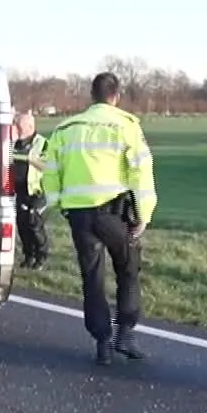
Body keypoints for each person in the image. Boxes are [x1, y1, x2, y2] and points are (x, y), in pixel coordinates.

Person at [40, 72, 159, 366]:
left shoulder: (66, 128)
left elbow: (50, 172)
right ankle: (126, 334)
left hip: (79, 214)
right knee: (128, 268)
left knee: (92, 277)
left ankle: (102, 342)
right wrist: (144, 214)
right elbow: (140, 173)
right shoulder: (126, 126)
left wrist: (60, 205)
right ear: (115, 95)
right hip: (113, 211)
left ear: (91, 96)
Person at [11, 111, 50, 268]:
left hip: (38, 192)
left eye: (19, 127)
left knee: (34, 224)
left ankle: (41, 257)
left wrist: (31, 159)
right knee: (22, 225)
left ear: (30, 126)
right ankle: (28, 256)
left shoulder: (43, 143)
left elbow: (49, 166)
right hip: (20, 191)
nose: (17, 130)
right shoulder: (13, 143)